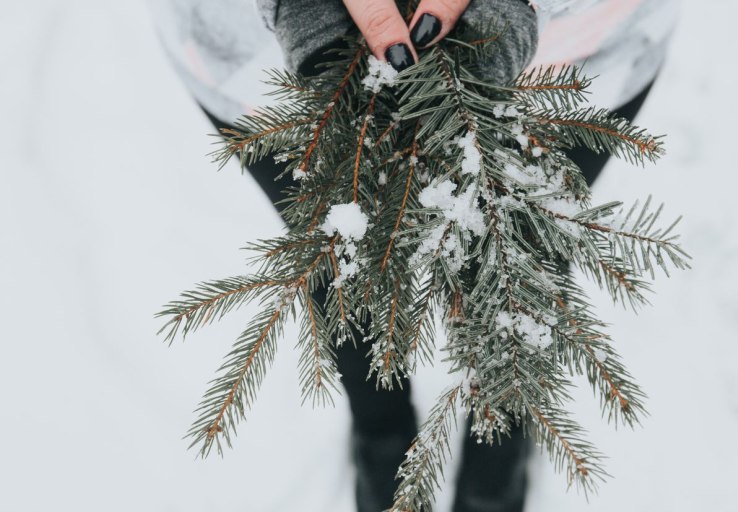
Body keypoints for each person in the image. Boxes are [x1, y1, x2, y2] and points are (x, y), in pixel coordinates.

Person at [149, 1, 678, 510]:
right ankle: (381, 432)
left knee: (522, 260)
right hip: (259, 72)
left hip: (577, 59)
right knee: (340, 250)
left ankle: (497, 457)